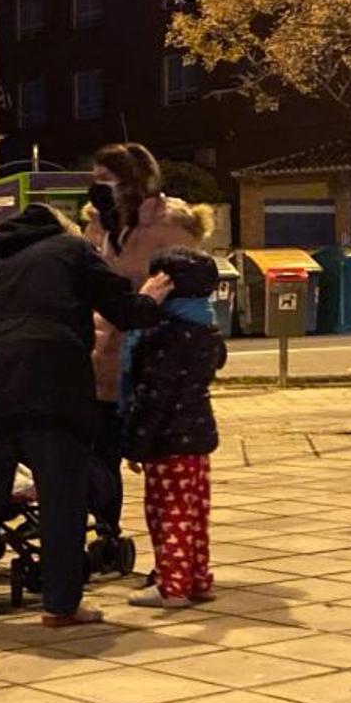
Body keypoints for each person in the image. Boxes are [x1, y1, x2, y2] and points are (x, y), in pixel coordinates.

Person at [0, 204, 173, 627]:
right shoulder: (70, 249)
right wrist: (150, 298)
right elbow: (123, 310)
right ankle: (61, 604)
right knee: (63, 494)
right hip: (46, 384)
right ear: (60, 228)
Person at [85, 143, 212, 536]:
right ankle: (107, 534)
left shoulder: (171, 227)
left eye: (106, 178)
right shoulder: (99, 225)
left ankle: (174, 559)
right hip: (100, 358)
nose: (97, 186)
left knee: (161, 464)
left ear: (133, 181)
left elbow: (185, 290)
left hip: (151, 362)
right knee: (99, 453)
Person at [122, 247, 226, 608]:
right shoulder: (205, 330)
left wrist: (135, 445)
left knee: (168, 514)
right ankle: (197, 578)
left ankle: (173, 585)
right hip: (197, 435)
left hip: (168, 439)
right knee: (194, 512)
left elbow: (155, 398)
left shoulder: (165, 337)